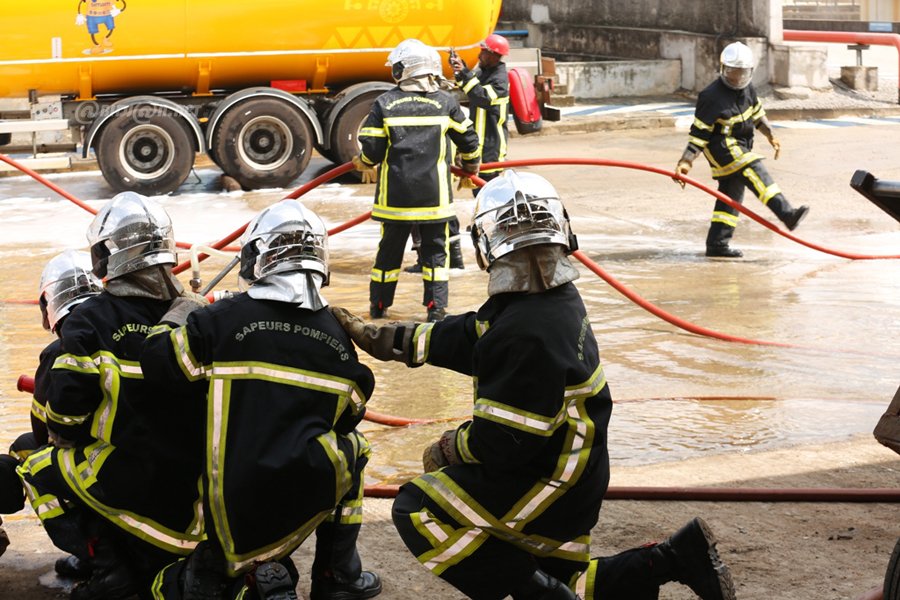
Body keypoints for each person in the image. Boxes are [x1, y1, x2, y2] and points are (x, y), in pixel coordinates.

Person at [332, 170, 736, 600]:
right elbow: (470, 335)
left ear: (486, 244)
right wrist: (390, 340)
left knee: (417, 507)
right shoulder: (548, 301)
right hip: (574, 472)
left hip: (548, 481)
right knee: (564, 582)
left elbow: (503, 442)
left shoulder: (525, 331)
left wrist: (450, 448)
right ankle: (674, 557)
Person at [140, 200, 381, 600]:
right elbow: (351, 412)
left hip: (219, 507)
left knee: (162, 587)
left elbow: (158, 363)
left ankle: (216, 574)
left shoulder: (218, 320)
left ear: (256, 257)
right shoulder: (339, 341)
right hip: (291, 511)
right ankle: (338, 577)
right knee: (354, 450)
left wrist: (179, 312)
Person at [17, 192, 207, 600]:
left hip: (132, 485)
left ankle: (105, 564)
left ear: (106, 254)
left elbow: (64, 418)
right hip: (198, 500)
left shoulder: (90, 321)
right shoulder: (195, 315)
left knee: (35, 463)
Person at [353, 38, 481, 322]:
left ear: (406, 69)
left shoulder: (385, 103)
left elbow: (371, 151)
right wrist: (470, 167)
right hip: (434, 200)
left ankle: (379, 307)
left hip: (394, 201)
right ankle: (436, 310)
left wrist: (363, 162)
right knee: (436, 255)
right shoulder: (445, 103)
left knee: (388, 254)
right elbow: (470, 140)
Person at [0, 250, 103, 574]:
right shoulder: (130, 330)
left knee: (27, 452)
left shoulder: (59, 352)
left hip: (105, 474)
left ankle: (96, 551)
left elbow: (46, 432)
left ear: (50, 306)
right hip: (153, 468)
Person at [674, 41, 809, 258]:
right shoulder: (710, 96)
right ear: (723, 69)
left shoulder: (748, 89)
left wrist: (770, 134)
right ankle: (787, 214)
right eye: (732, 72)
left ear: (750, 71)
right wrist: (685, 162)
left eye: (742, 73)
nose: (737, 78)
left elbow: (757, 114)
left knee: (732, 195)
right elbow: (699, 134)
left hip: (742, 145)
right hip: (720, 147)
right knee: (754, 168)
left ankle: (717, 245)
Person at [406, 33, 512, 275]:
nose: (480, 54)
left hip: (490, 148)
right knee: (481, 196)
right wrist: (460, 71)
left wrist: (464, 72)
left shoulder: (499, 78)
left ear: (494, 55)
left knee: (489, 198)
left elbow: (481, 96)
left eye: (484, 52)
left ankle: (498, 241)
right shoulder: (485, 72)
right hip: (478, 146)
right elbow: (469, 88)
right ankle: (485, 238)